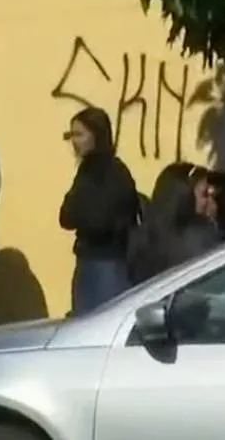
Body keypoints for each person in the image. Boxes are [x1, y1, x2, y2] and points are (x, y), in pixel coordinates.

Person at [58, 107, 140, 315]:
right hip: (88, 263)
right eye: (71, 135)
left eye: (79, 134)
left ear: (97, 135)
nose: (74, 142)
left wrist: (81, 212)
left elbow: (99, 220)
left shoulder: (112, 173)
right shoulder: (86, 172)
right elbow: (66, 217)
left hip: (109, 264)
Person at [127, 162, 222, 284]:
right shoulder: (199, 237)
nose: (210, 200)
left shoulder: (140, 236)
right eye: (204, 194)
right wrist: (212, 221)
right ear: (185, 198)